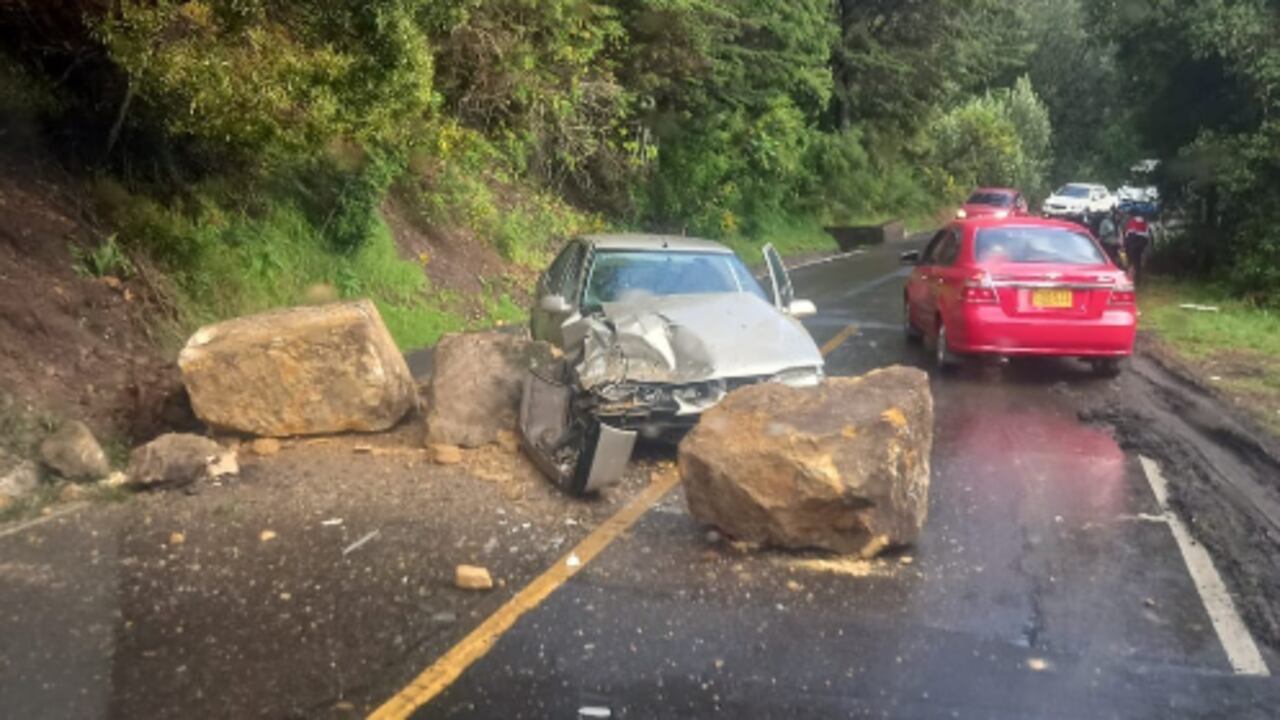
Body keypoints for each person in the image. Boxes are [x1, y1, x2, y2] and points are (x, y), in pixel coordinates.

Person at [1123, 213, 1152, 283]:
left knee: (1130, 262)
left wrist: (1126, 245)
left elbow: (1127, 234)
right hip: (1140, 244)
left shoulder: (1131, 221)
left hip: (1131, 243)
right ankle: (1138, 279)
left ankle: (1130, 278)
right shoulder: (1145, 223)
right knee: (1137, 262)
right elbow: (1147, 235)